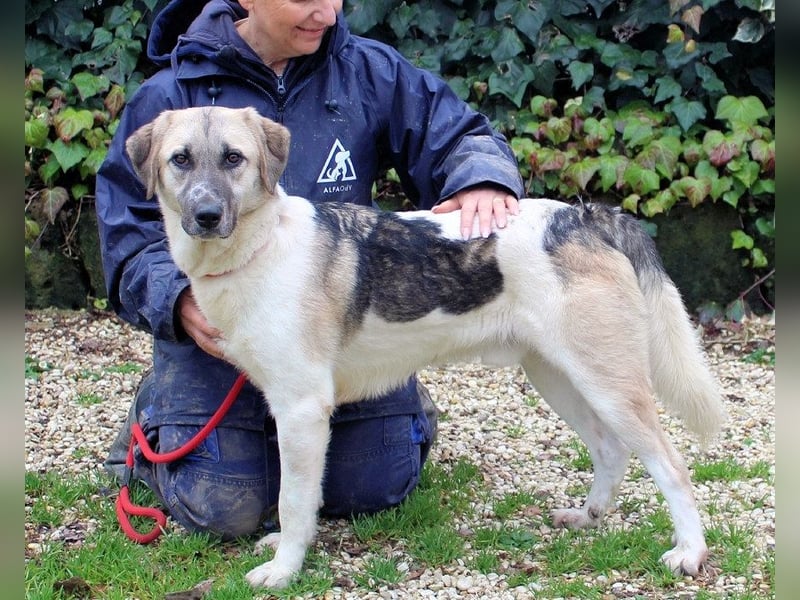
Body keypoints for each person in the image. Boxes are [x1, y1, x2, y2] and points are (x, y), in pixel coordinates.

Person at [96, 0, 524, 540]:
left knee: (373, 489)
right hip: (216, 343)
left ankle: (397, 397)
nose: (324, 12)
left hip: (339, 336)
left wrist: (481, 176)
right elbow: (127, 232)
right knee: (219, 510)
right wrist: (177, 301)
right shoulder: (169, 97)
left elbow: (459, 134)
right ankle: (158, 413)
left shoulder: (371, 71)